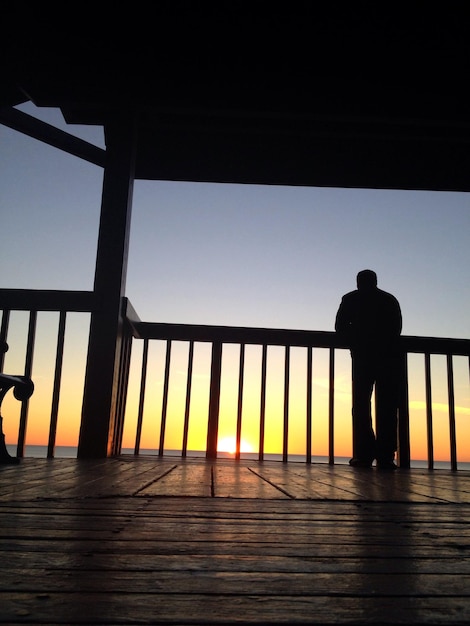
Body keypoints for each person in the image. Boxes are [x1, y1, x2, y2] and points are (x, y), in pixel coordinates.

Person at [335, 270, 402, 470]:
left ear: (358, 282)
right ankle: (385, 456)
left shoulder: (350, 299)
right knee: (387, 408)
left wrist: (357, 341)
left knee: (361, 406)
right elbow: (396, 329)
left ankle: (365, 454)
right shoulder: (389, 299)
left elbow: (340, 327)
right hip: (388, 359)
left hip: (363, 359)